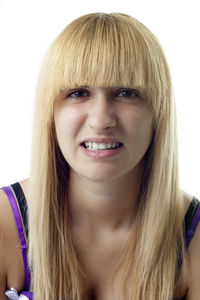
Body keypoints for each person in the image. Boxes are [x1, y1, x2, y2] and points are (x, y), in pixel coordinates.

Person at [0, 12, 200, 300]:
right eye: (79, 92)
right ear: (50, 113)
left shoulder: (194, 237)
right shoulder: (4, 223)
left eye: (126, 92)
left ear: (158, 113)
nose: (101, 120)